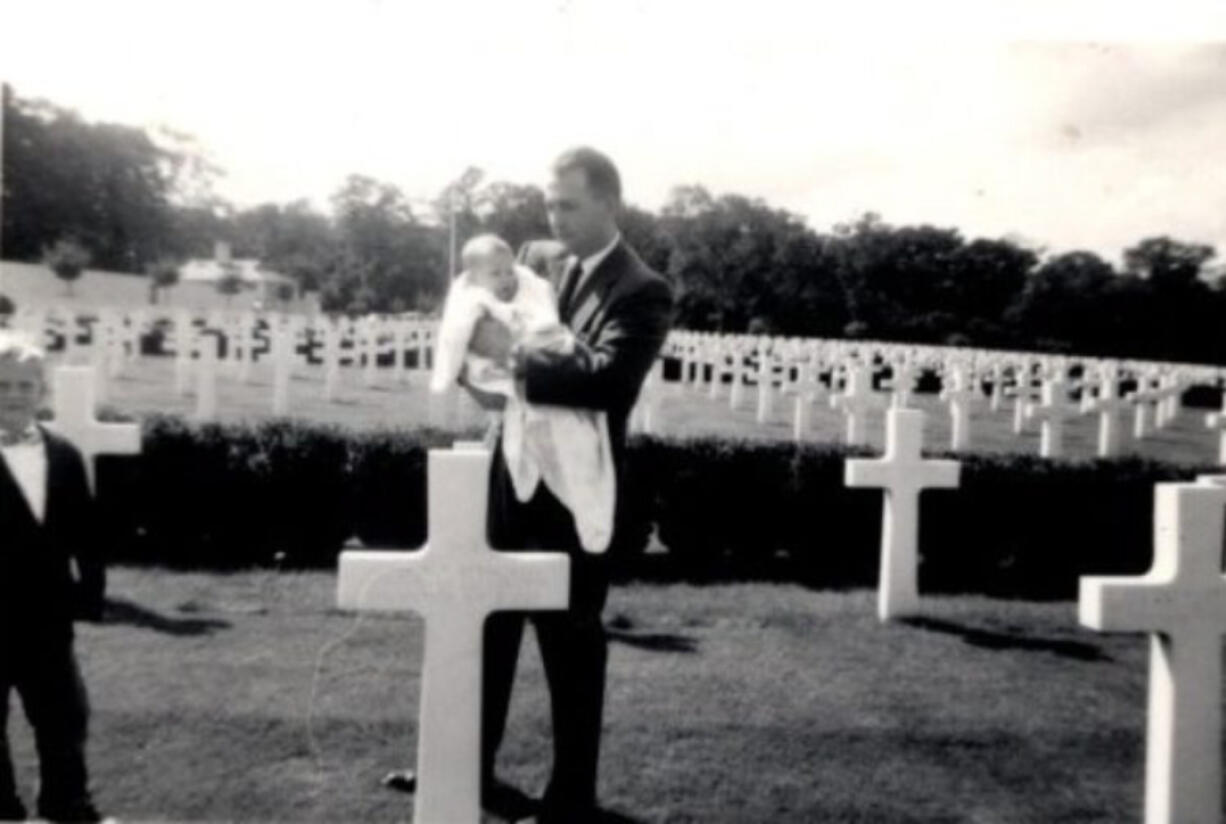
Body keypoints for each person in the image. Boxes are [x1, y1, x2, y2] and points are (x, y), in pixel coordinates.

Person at [477, 147, 673, 823]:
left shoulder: (642, 287)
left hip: (579, 490)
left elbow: (611, 380)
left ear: (608, 205)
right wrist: (488, 366)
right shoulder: (533, 258)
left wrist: (516, 364)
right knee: (486, 626)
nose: (552, 217)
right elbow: (490, 324)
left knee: (571, 641)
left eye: (568, 205)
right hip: (512, 472)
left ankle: (571, 797)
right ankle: (465, 765)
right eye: (549, 203)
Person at [430, 233, 617, 554]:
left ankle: (587, 519)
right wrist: (457, 370)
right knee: (509, 543)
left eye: (509, 272)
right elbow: (460, 340)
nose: (506, 280)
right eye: (496, 274)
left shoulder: (535, 289)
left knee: (561, 534)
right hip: (508, 409)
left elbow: (584, 363)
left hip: (557, 408)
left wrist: (522, 348)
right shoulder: (475, 300)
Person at [0, 333, 109, 824]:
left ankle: (67, 806)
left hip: (47, 615)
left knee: (64, 717)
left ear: (41, 391)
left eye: (26, 385)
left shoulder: (64, 454)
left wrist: (89, 594)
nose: (15, 395)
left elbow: (87, 533)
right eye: (3, 385)